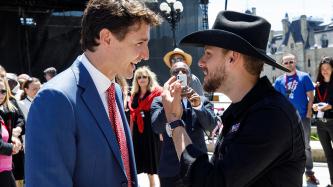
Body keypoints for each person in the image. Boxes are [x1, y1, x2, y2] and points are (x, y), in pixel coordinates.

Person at [159, 10, 305, 186]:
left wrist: (175, 122)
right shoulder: (242, 110)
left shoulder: (270, 115)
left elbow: (212, 183)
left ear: (232, 58)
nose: (200, 62)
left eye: (208, 53)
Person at [25, 0, 161, 186]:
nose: (146, 54)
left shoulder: (116, 91)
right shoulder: (55, 98)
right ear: (106, 38)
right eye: (139, 43)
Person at [151, 61, 216, 187]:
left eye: (184, 71)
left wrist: (198, 106)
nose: (180, 74)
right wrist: (170, 103)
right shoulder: (160, 101)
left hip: (196, 166)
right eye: (176, 72)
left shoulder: (202, 101)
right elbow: (156, 127)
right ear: (171, 78)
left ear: (190, 78)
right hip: (170, 169)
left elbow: (210, 127)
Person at [274, 53, 319, 184]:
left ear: (295, 62)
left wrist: (309, 113)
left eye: (291, 62)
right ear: (282, 64)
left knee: (306, 146)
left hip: (303, 117)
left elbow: (311, 97)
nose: (289, 65)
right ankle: (288, 172)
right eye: (286, 63)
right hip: (286, 119)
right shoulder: (279, 81)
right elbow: (275, 99)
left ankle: (309, 172)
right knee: (286, 146)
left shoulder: (304, 77)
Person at [128, 66, 162, 187]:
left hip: (151, 130)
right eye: (139, 77)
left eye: (144, 77)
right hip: (138, 131)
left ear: (149, 78)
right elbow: (132, 114)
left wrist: (162, 131)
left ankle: (153, 184)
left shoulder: (157, 93)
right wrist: (130, 133)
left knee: (153, 158)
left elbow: (162, 112)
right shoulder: (134, 95)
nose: (142, 79)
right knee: (141, 158)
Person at [0, 67, 25, 187]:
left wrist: (17, 131)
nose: (3, 78)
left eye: (4, 76)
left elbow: (21, 118)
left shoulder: (10, 100)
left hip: (8, 164)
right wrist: (12, 145)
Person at [312, 56, 333, 187]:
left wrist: (331, 106)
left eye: (327, 68)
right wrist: (314, 107)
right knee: (329, 156)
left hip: (332, 122)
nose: (324, 71)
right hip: (321, 124)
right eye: (322, 69)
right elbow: (315, 102)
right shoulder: (318, 85)